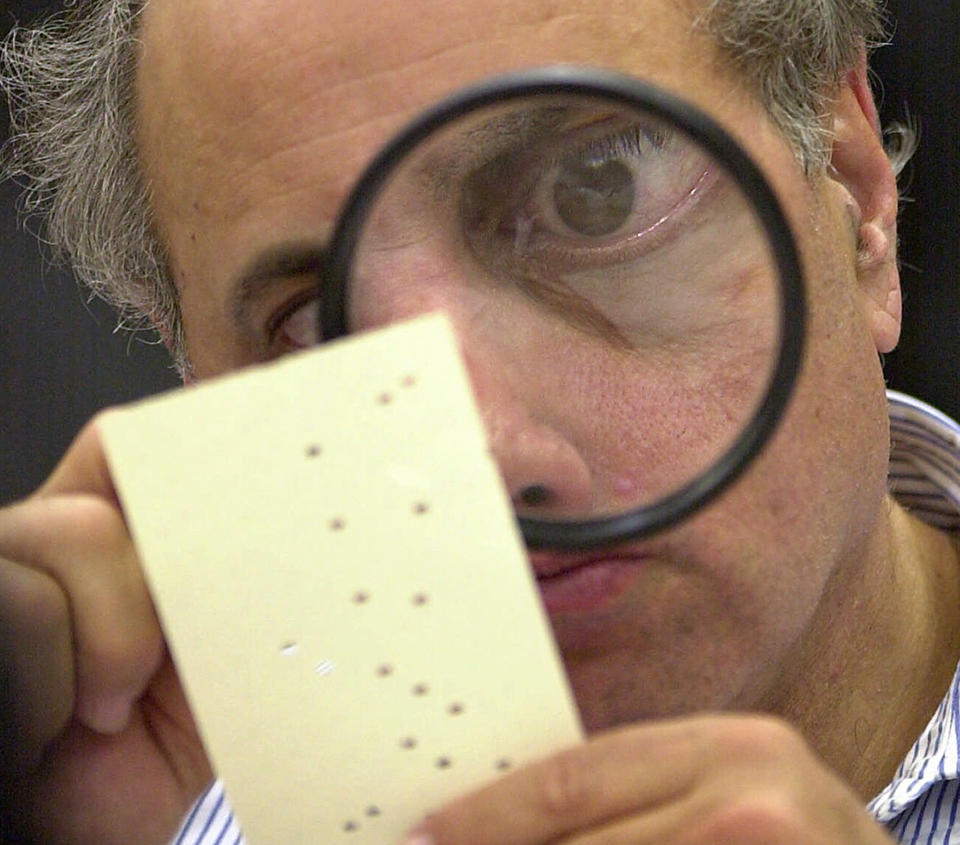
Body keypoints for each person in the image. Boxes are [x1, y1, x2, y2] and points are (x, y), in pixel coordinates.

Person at [1, 0, 958, 843]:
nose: (481, 457)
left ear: (855, 186)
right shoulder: (130, 806)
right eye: (317, 324)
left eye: (596, 194)